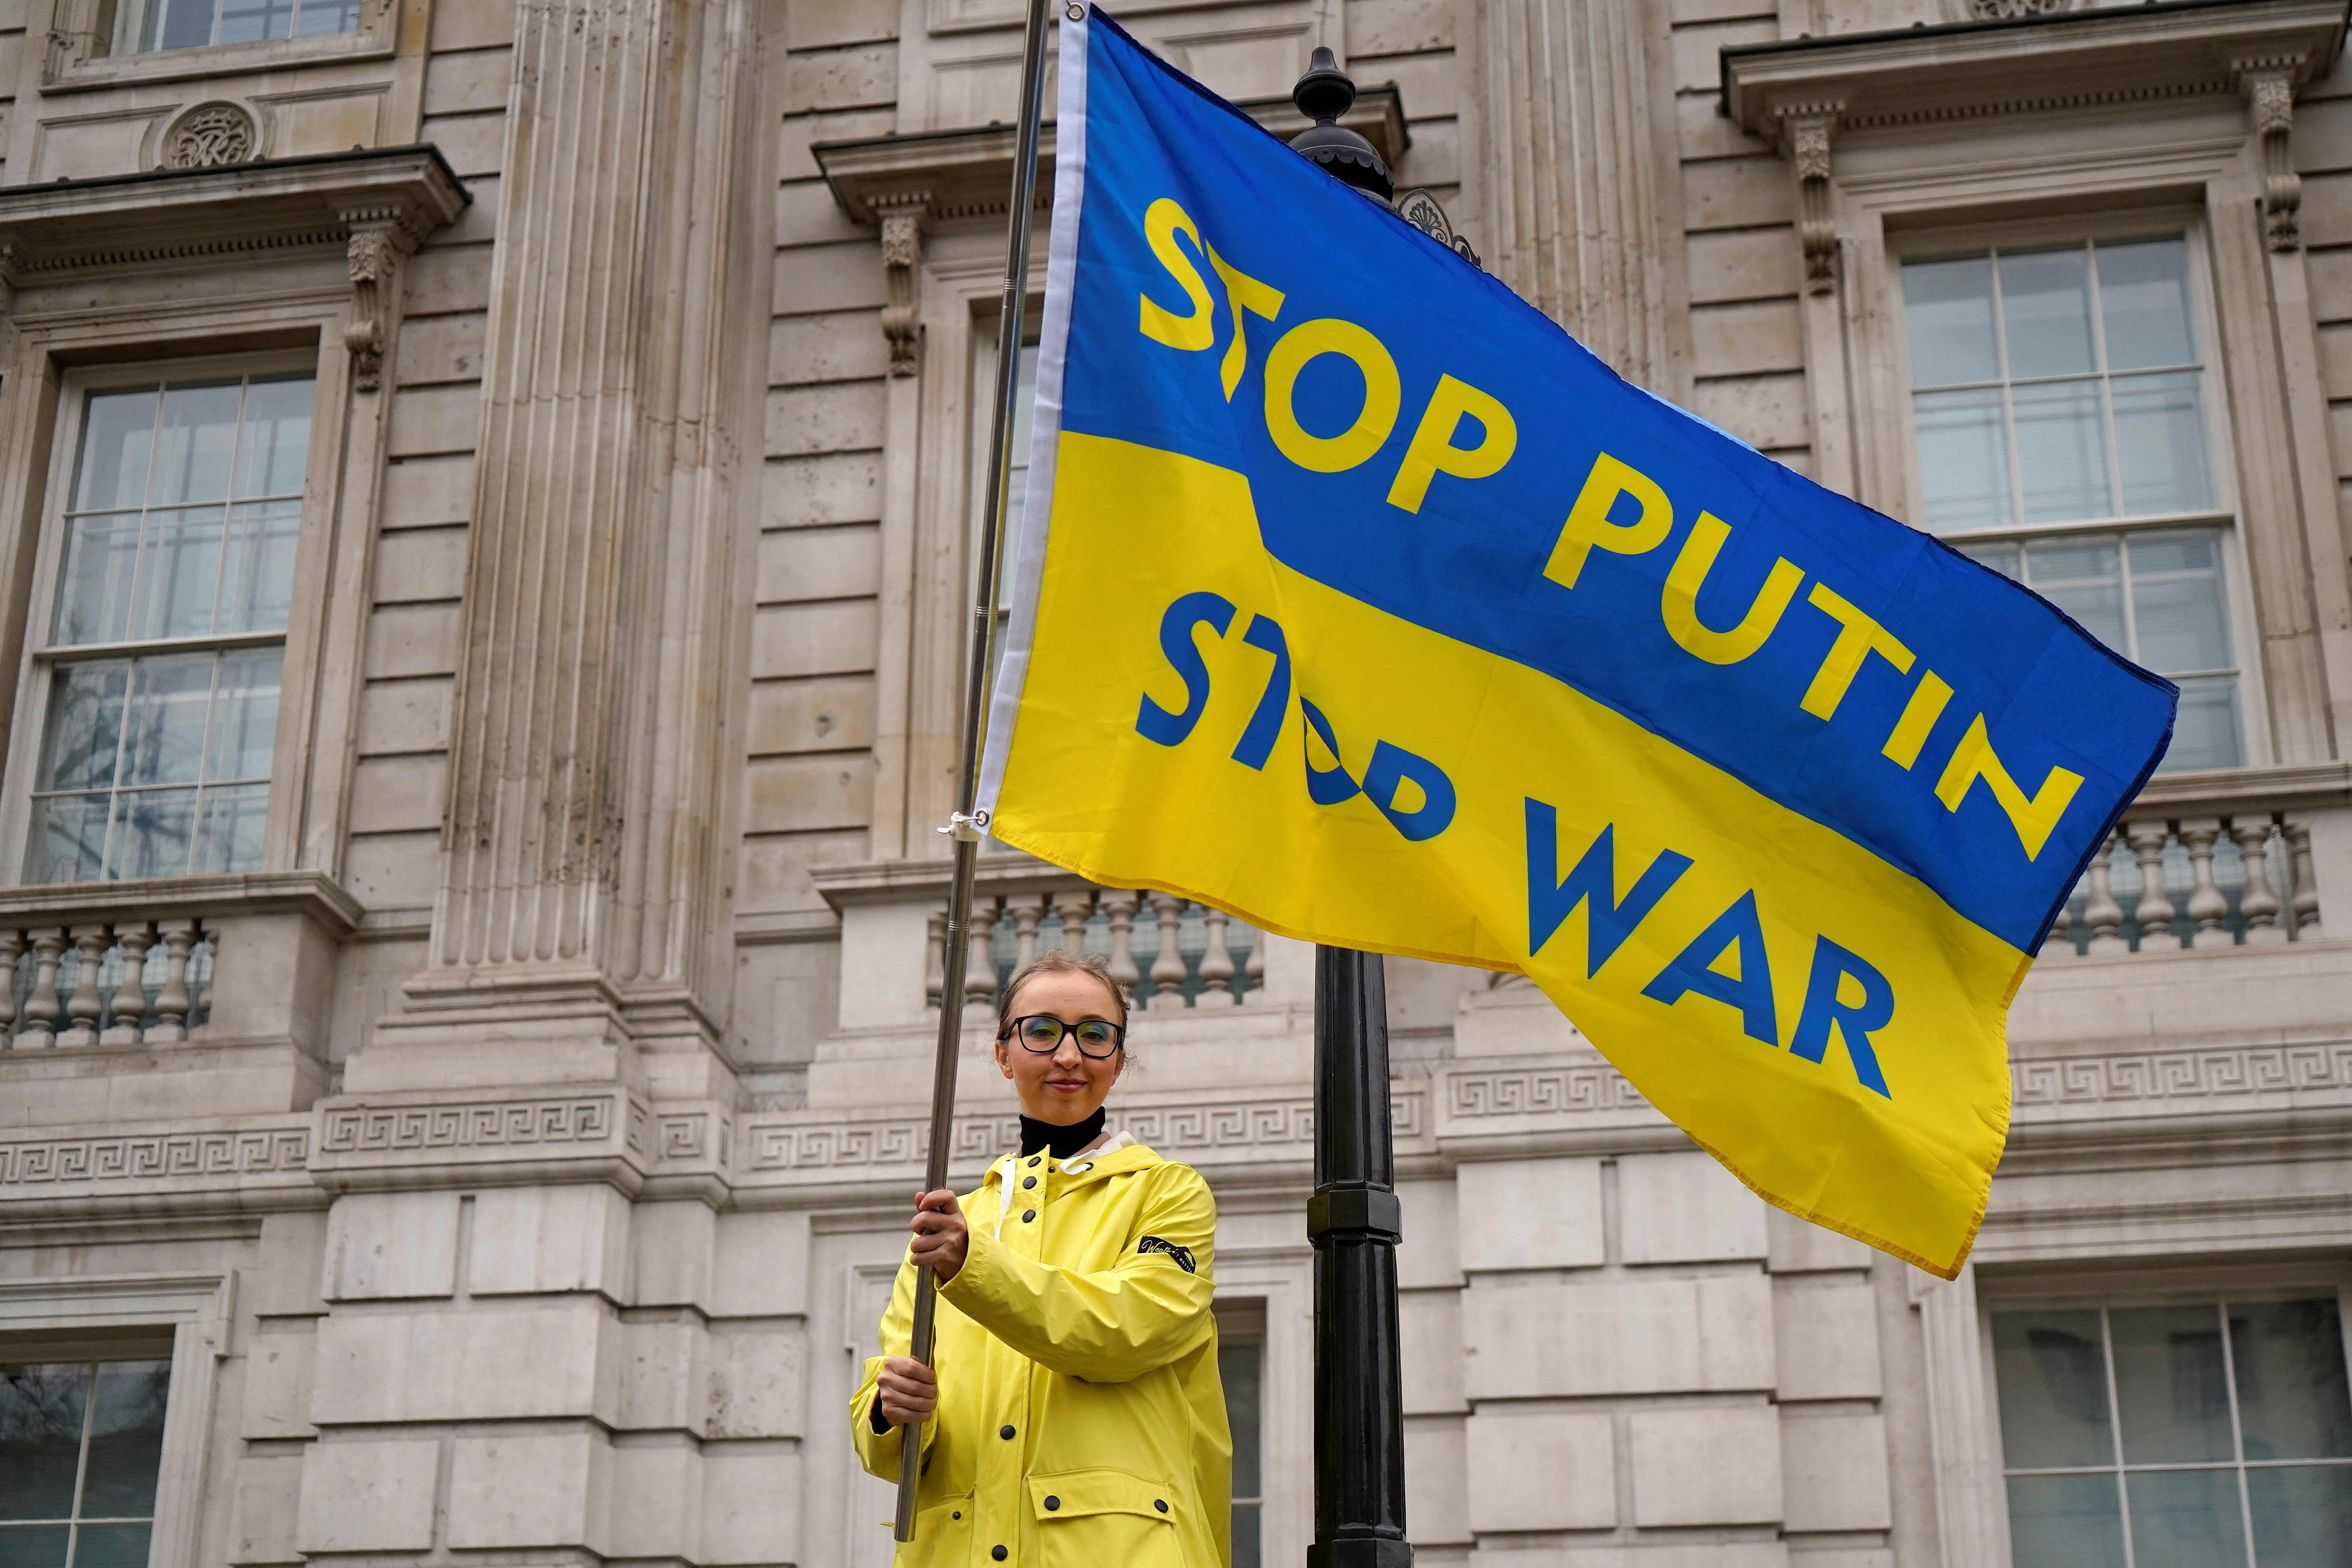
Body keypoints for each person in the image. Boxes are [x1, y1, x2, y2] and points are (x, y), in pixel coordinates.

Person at [851, 949, 1232, 1566]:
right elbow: (888, 1443)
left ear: (1120, 1057)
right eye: (1043, 1030)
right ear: (1003, 1054)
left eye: (1095, 1035)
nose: (1068, 1055)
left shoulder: (1169, 1192)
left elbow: (1126, 1330)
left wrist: (974, 1267)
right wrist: (890, 1412)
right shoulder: (952, 1227)